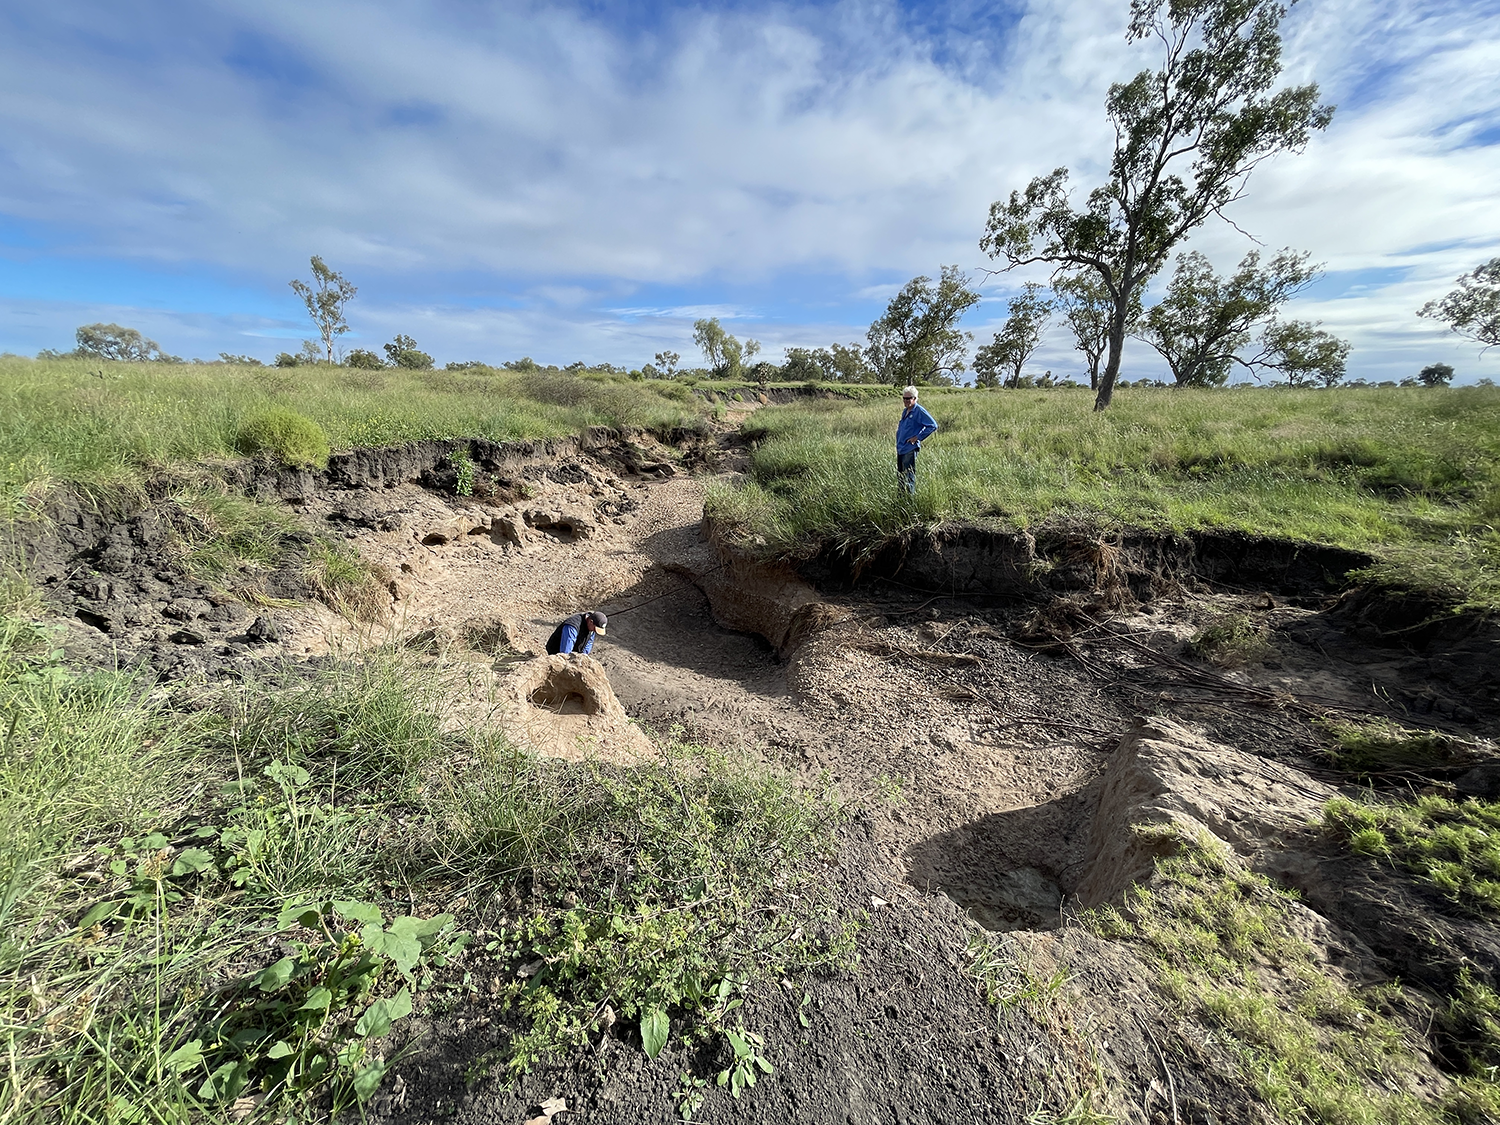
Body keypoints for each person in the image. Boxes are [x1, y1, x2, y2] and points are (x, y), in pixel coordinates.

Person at [896, 385, 938, 495]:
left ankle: (910, 503)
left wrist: (917, 438)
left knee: (908, 477)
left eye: (908, 398)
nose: (906, 401)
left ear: (915, 398)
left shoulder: (919, 411)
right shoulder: (905, 411)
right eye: (904, 398)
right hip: (901, 448)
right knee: (900, 478)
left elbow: (932, 425)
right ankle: (901, 502)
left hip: (909, 449)